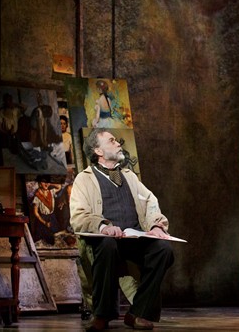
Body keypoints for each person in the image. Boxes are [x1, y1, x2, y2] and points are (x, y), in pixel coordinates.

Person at [69, 128, 174, 331]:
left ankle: (138, 312)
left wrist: (155, 225)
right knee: (107, 245)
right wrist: (102, 226)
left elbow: (150, 201)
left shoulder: (128, 176)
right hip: (105, 240)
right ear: (98, 150)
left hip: (133, 238)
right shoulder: (84, 179)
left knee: (163, 250)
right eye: (111, 140)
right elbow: (78, 215)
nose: (118, 143)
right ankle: (102, 315)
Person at [31, 175, 63, 246]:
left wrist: (50, 183)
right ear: (39, 183)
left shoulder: (51, 192)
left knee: (55, 238)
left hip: (52, 217)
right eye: (43, 182)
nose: (46, 184)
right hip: (42, 218)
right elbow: (35, 212)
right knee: (41, 240)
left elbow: (59, 186)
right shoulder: (37, 196)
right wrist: (44, 222)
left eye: (47, 182)